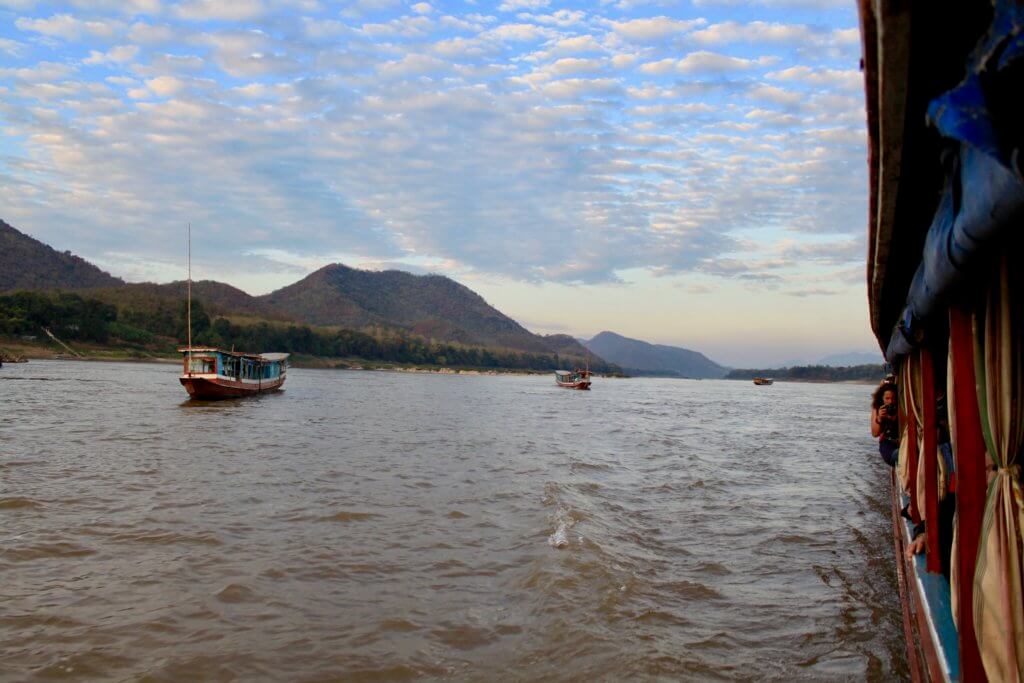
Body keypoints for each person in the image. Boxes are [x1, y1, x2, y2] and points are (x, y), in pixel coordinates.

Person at [871, 381, 900, 466]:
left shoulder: (900, 408)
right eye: (887, 398)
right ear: (882, 399)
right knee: (901, 455)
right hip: (888, 446)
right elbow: (875, 433)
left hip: (902, 444)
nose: (891, 401)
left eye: (893, 398)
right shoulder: (878, 408)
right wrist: (880, 418)